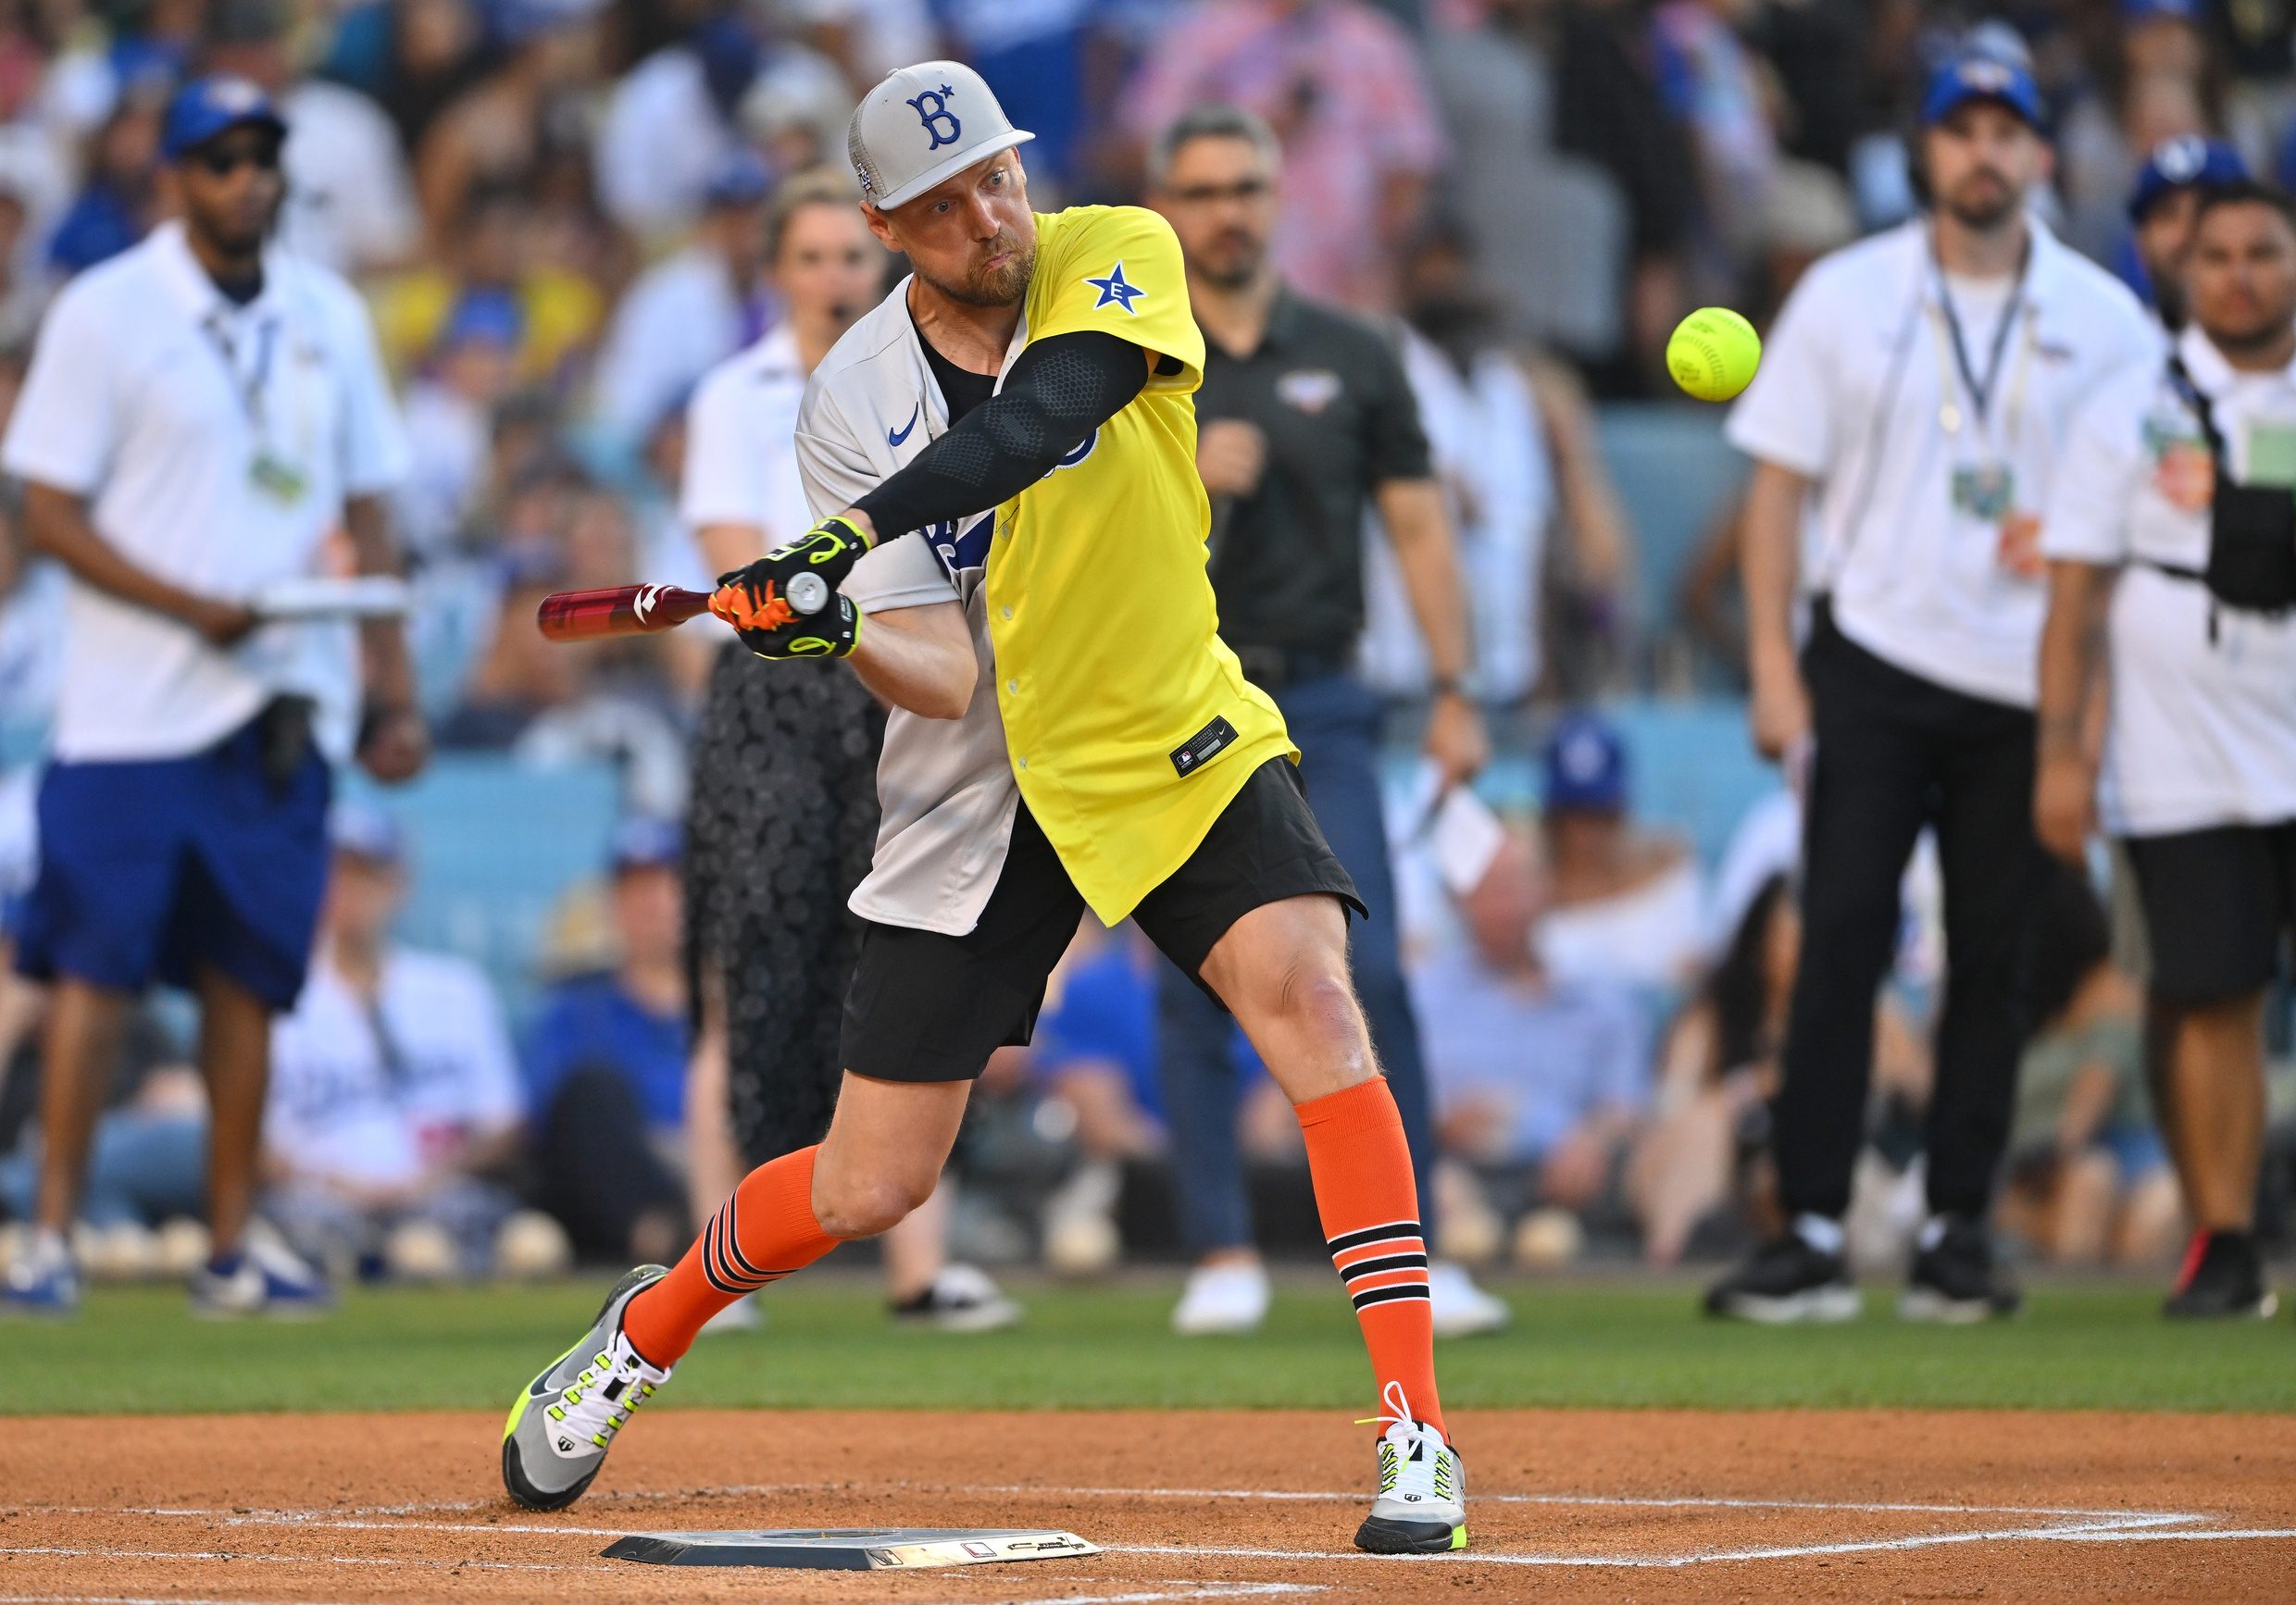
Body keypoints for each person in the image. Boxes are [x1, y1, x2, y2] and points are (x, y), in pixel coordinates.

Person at [502, 61, 1467, 1556]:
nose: (990, 214)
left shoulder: (1118, 250)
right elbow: (937, 673)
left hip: (1167, 726)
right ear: (888, 224)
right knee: (871, 1179)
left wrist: (836, 541)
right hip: (978, 784)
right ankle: (648, 1322)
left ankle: (1416, 1429)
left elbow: (1043, 419)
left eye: (999, 175)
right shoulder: (850, 400)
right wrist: (834, 625)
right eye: (946, 202)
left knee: (1316, 1006)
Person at [1703, 51, 2158, 1325]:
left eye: (2008, 130)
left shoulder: (2104, 315)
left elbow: (2127, 522)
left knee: (1995, 960)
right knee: (1841, 934)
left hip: (2030, 676)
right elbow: (1775, 489)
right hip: (1873, 659)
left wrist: (2092, 722)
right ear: (1927, 152)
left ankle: (1960, 1227)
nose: (1985, 153)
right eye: (1963, 129)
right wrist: (1773, 670)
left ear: (2044, 157)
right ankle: (1808, 1226)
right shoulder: (1849, 296)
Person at [0, 77, 424, 1317]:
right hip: (131, 709)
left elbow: (370, 505)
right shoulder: (106, 308)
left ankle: (230, 1248)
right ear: (174, 176)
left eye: (263, 157)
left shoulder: (328, 312)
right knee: (95, 971)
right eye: (221, 159)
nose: (248, 179)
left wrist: (390, 686)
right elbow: (48, 512)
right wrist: (192, 605)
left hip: (280, 696)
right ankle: (49, 1234)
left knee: (250, 978)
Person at [1141, 104, 1504, 1340]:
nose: (1225, 210)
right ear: (1165, 208)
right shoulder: (1128, 359)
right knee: (1194, 979)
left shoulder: (1355, 350)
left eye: (1244, 186)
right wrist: (1188, 473)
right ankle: (1220, 1247)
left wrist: (1459, 691)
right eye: (1200, 191)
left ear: (1276, 196)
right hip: (1182, 692)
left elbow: (1418, 525)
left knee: (1377, 961)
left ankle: (1424, 1247)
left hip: (1324, 693)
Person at [678, 167, 1017, 1333]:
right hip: (780, 691)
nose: (833, 277)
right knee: (748, 972)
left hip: (904, 679)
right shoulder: (738, 393)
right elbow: (733, 568)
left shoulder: (926, 383)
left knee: (903, 956)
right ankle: (716, 1270)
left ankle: (919, 1268)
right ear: (776, 272)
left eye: (847, 257)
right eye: (810, 258)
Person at [2036, 179, 2296, 1319]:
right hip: (2178, 745)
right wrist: (2059, 753)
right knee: (2208, 992)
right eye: (2218, 256)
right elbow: (2073, 593)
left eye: (2262, 253)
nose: (2239, 274)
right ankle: (2222, 1237)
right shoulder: (2125, 405)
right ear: (2185, 273)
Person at [263, 805, 532, 1282]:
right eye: (334, 874)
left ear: (399, 884)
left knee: (492, 1225)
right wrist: (337, 1183)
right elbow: (251, 1143)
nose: (348, 892)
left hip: (441, 1195)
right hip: (317, 1199)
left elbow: (503, 1124)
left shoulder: (455, 988)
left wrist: (431, 1178)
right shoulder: (271, 996)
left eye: (366, 876)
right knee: (306, 1228)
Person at [1122, 0, 1447, 314]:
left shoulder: (1369, 40)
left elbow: (1409, 166)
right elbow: (1146, 147)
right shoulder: (1204, 33)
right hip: (1220, 287)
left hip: (1341, 294)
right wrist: (1251, 130)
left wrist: (1381, 264)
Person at [1416, 828, 1651, 1245]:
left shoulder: (1600, 998)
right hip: (1450, 1176)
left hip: (1570, 1185)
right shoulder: (1421, 997)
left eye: (1518, 886)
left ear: (1548, 890)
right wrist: (1437, 1124)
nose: (1506, 906)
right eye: (1491, 889)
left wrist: (1594, 1140)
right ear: (1461, 898)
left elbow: (1627, 1107)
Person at [522, 818, 692, 1269]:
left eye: (669, 887)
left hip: (720, 1175)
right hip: (619, 1199)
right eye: (637, 892)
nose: (654, 906)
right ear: (614, 906)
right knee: (590, 1089)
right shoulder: (574, 1010)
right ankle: (662, 1236)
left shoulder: (736, 1005)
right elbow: (554, 1127)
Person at [590, 149, 775, 446]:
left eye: (754, 220)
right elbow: (628, 408)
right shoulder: (664, 294)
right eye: (732, 221)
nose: (746, 236)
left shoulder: (783, 289)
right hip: (671, 454)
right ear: (707, 224)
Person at [1536, 712, 1705, 995]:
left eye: (1601, 814)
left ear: (1621, 810)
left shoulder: (1670, 871)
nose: (1586, 832)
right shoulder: (1521, 888)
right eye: (1573, 815)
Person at [2124, 136, 2248, 328]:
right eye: (2167, 214)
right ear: (2140, 245)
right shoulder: (2121, 349)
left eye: (2207, 208)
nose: (2187, 231)